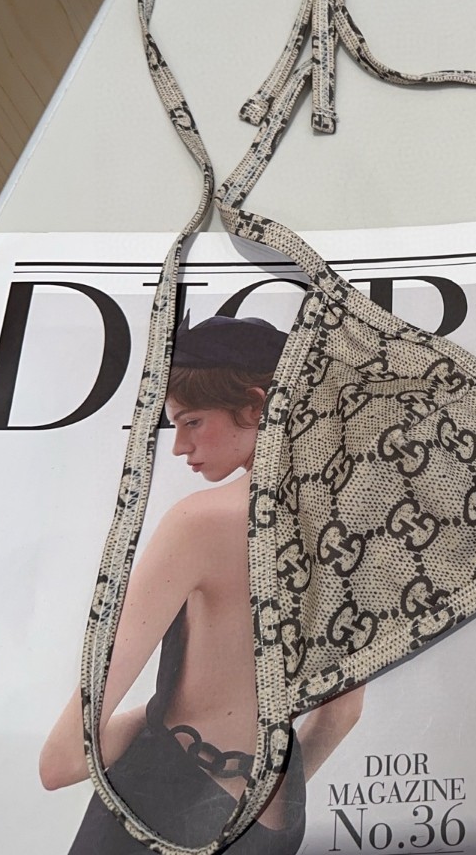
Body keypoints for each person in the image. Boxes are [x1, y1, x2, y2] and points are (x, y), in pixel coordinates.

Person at [40, 315, 365, 854]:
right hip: (276, 820)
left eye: (191, 421)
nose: (179, 447)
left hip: (164, 800)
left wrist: (158, 719)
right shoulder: (354, 526)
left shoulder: (199, 523)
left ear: (258, 406)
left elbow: (63, 760)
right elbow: (343, 712)